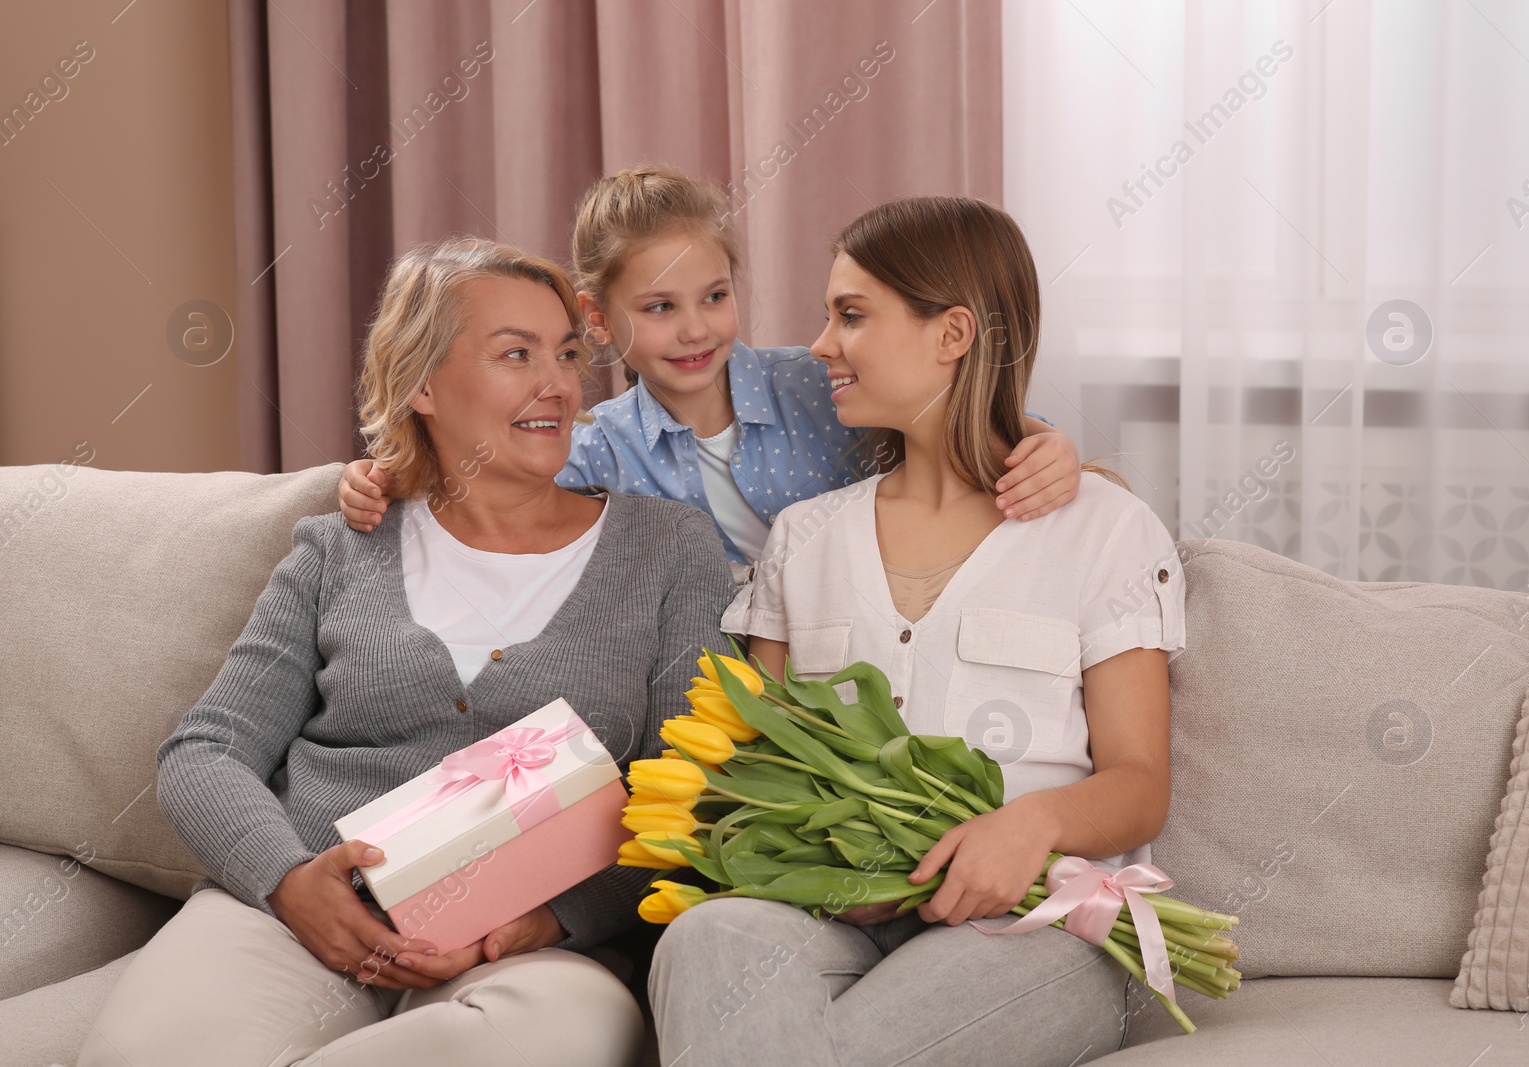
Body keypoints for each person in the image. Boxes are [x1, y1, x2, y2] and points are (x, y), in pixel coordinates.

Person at [79, 238, 733, 1067]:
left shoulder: (671, 549)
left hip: (523, 955)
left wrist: (545, 917)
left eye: (567, 353)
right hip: (300, 916)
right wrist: (289, 882)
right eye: (515, 353)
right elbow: (203, 752)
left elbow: (689, 794)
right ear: (422, 383)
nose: (559, 383)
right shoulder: (340, 546)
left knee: (562, 1034)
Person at [650, 197, 1185, 1067]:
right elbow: (761, 764)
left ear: (954, 334)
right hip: (836, 914)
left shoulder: (1105, 528)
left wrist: (1031, 825)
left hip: (1035, 927)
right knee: (706, 941)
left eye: (851, 315)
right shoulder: (806, 538)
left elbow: (1141, 782)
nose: (821, 343)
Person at [336, 165, 1084, 568]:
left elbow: (943, 411)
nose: (696, 328)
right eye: (659, 308)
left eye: (716, 296)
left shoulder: (815, 381)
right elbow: (483, 480)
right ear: (598, 320)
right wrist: (377, 478)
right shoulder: (597, 447)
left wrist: (1040, 437)